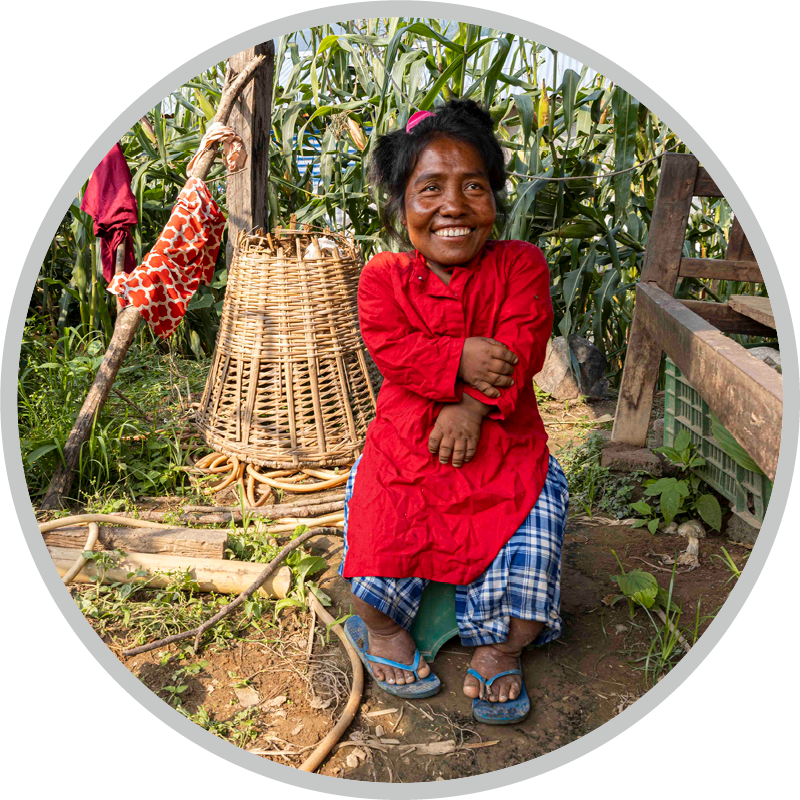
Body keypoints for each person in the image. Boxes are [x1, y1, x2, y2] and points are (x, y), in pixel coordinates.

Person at [340, 99, 569, 724]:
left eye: (473, 186)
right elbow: (394, 350)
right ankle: (384, 631)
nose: (453, 205)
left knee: (533, 521)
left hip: (506, 442)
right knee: (378, 524)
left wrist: (470, 407)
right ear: (400, 204)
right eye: (430, 188)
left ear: (494, 196)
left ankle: (501, 648)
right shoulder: (382, 277)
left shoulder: (521, 265)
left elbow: (521, 346)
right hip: (408, 443)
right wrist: (462, 356)